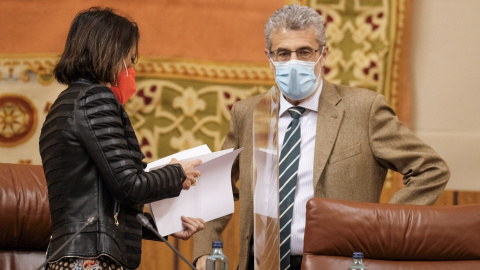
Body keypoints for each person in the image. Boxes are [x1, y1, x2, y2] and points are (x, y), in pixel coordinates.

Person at [193, 4, 450, 270]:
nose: (293, 61)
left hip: (337, 262)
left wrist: (381, 223)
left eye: (304, 52)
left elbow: (430, 169)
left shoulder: (364, 110)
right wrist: (204, 247)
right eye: (283, 53)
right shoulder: (249, 112)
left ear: (323, 55)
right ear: (270, 58)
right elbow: (217, 183)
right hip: (260, 263)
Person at [39, 7, 204, 270]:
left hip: (73, 257)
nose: (130, 66)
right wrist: (177, 173)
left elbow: (107, 205)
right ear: (110, 52)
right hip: (93, 261)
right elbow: (129, 185)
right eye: (129, 59)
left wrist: (167, 226)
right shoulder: (95, 99)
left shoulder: (63, 106)